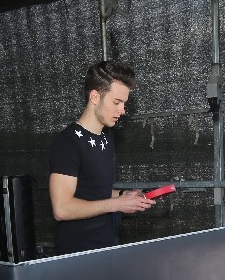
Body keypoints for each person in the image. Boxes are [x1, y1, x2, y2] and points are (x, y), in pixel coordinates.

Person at [48, 60, 154, 255]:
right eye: (116, 102)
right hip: (78, 254)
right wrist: (117, 204)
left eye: (124, 103)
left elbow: (94, 191)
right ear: (95, 96)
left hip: (106, 246)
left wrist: (125, 196)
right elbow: (61, 209)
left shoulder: (105, 140)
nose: (122, 110)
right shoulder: (68, 142)